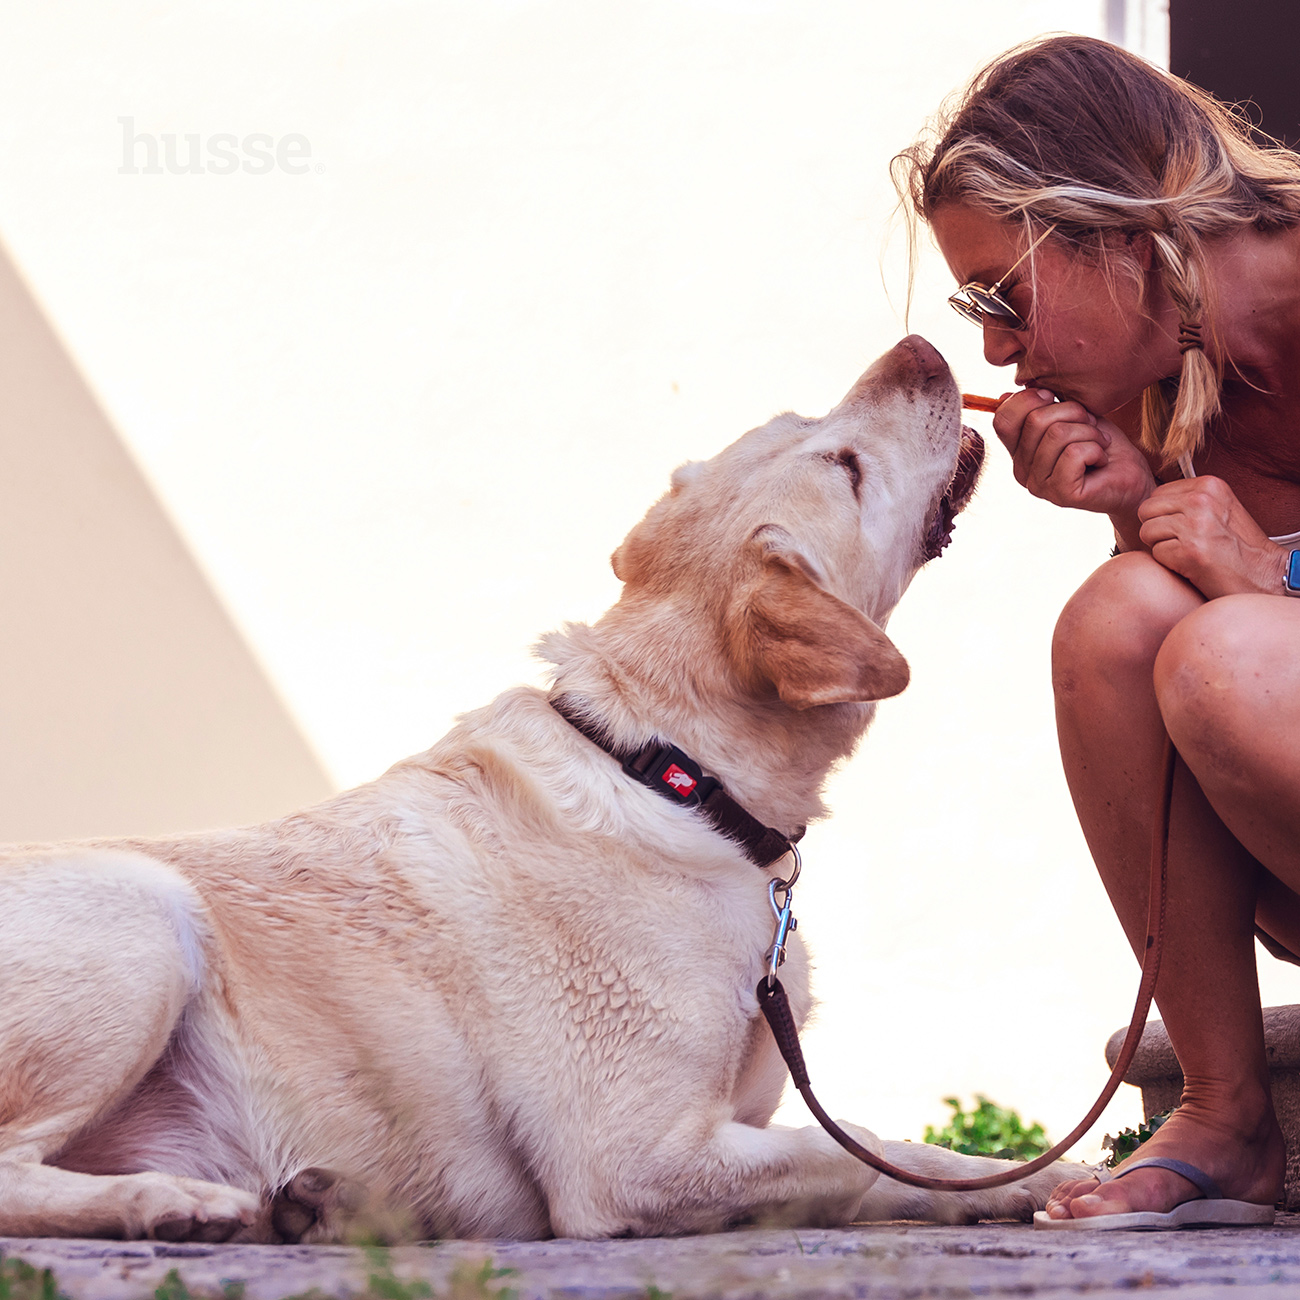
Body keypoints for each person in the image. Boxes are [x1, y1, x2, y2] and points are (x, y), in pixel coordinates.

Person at [895, 34, 1300, 1225]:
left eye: (1002, 296)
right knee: (1118, 619)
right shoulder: (1174, 386)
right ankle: (1224, 1111)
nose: (995, 350)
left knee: (1223, 651)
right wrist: (1134, 506)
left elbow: (1255, 637)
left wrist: (1270, 574)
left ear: (1116, 230)